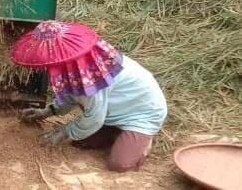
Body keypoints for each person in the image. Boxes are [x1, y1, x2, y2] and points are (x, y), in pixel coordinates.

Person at [11, 20, 168, 172]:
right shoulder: (75, 63)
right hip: (111, 110)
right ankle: (116, 132)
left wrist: (65, 130)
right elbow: (70, 94)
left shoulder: (92, 76)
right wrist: (48, 111)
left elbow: (94, 118)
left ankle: (143, 139)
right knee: (81, 141)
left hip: (142, 114)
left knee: (119, 164)